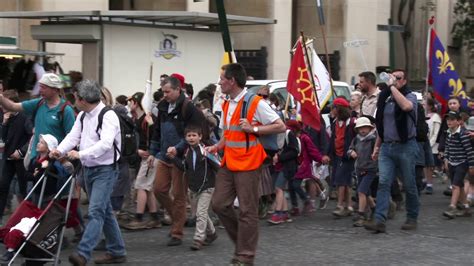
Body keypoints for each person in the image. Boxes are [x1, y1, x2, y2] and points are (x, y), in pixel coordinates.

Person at [208, 63, 286, 265]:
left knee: (247, 210)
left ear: (232, 81)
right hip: (228, 161)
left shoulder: (255, 102)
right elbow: (229, 133)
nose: (219, 82)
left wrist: (254, 129)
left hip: (249, 163)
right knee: (219, 204)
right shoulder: (226, 102)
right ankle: (243, 244)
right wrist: (217, 146)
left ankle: (245, 256)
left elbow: (280, 125)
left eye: (222, 79)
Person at [50, 80, 126, 265]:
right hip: (90, 169)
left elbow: (106, 144)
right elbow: (73, 136)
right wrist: (59, 150)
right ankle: (117, 251)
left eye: (75, 97)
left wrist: (79, 153)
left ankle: (83, 253)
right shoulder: (83, 115)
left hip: (105, 170)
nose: (73, 101)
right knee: (104, 211)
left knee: (96, 212)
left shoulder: (108, 115)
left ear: (83, 99)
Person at [148, 75, 208, 246]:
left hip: (181, 158)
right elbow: (157, 131)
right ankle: (178, 218)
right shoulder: (162, 107)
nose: (165, 95)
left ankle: (177, 233)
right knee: (158, 190)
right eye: (163, 91)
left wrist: (178, 148)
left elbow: (192, 133)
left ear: (177, 89)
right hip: (164, 155)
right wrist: (152, 152)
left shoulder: (189, 108)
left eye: (167, 91)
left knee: (179, 195)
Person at [365, 69, 420, 233]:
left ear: (404, 81)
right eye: (392, 77)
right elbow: (382, 125)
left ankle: (412, 217)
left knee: (409, 184)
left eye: (398, 78)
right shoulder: (384, 97)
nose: (394, 80)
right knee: (383, 183)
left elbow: (406, 106)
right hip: (387, 147)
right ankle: (379, 220)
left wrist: (392, 88)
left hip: (406, 146)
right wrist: (376, 146)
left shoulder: (410, 96)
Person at [0, 73, 75, 162]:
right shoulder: (39, 103)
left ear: (54, 89)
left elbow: (72, 139)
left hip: (53, 163)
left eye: (43, 87)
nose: (40, 90)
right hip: (35, 159)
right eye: (40, 87)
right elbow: (12, 106)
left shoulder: (66, 110)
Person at [122, 92, 161, 230]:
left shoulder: (148, 119)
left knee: (141, 185)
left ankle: (139, 218)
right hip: (147, 156)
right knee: (147, 187)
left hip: (150, 157)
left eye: (130, 101)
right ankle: (154, 217)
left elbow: (156, 135)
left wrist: (149, 151)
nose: (128, 104)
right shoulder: (139, 119)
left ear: (137, 103)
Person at [182, 126, 218, 250]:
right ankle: (212, 233)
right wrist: (173, 159)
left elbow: (217, 165)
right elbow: (185, 168)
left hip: (207, 186)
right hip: (194, 187)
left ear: (200, 137)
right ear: (185, 138)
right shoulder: (187, 152)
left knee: (201, 212)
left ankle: (198, 238)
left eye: (194, 135)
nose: (191, 138)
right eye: (189, 136)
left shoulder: (205, 151)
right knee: (200, 213)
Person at [0, 90, 33, 224]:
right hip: (7, 159)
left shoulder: (25, 117)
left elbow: (32, 136)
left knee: (23, 189)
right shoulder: (5, 117)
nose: (2, 107)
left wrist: (20, 152)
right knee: (2, 187)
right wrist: (4, 123)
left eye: (4, 104)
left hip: (20, 160)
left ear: (12, 103)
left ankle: (27, 219)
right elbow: (2, 137)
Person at [325, 97, 356, 218]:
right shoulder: (335, 122)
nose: (331, 111)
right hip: (337, 155)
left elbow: (356, 139)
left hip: (346, 156)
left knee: (340, 180)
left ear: (339, 109)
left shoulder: (352, 122)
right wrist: (328, 153)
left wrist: (353, 151)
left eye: (333, 108)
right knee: (346, 182)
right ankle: (349, 206)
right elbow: (333, 139)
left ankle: (340, 206)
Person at [442, 111, 474, 218]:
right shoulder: (449, 132)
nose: (449, 122)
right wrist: (446, 160)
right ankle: (466, 208)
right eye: (448, 120)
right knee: (459, 187)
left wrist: (471, 165)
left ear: (458, 121)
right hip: (452, 162)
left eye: (452, 119)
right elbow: (447, 147)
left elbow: (469, 151)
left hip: (462, 163)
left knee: (455, 185)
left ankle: (452, 207)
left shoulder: (463, 134)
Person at [348, 117, 378, 227]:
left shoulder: (373, 139)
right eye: (360, 128)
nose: (363, 130)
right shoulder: (356, 139)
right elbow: (350, 149)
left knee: (361, 191)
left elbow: (378, 152)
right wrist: (351, 152)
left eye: (365, 127)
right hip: (359, 169)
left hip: (370, 169)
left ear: (370, 128)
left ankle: (361, 215)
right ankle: (374, 208)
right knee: (366, 192)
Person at [425, 98, 442, 194]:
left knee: (430, 166)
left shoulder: (436, 117)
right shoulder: (423, 115)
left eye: (425, 103)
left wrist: (430, 144)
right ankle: (426, 181)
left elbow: (436, 133)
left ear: (430, 106)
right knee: (424, 165)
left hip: (432, 146)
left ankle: (430, 184)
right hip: (424, 144)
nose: (423, 105)